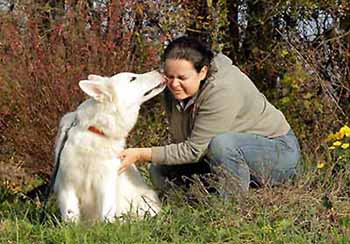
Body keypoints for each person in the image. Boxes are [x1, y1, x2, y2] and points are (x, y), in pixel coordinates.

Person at [118, 36, 300, 194]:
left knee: (223, 144)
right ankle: (188, 208)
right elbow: (186, 144)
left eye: (182, 78)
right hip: (215, 154)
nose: (174, 84)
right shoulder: (171, 90)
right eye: (169, 76)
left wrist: (141, 153)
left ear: (203, 72)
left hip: (278, 152)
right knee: (159, 169)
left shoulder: (223, 89)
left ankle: (229, 213)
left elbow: (194, 150)